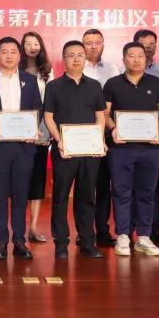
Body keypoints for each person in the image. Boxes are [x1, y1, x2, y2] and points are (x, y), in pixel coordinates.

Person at [0, 37, 42, 260]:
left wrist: (31, 127)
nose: (9, 55)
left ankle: (19, 241)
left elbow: (37, 108)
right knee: (0, 195)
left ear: (19, 55)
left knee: (21, 195)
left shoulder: (29, 80)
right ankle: (1, 241)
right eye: (4, 51)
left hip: (23, 146)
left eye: (13, 51)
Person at [103, 42, 159, 257]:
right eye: (131, 55)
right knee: (121, 192)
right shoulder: (113, 83)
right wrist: (113, 128)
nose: (136, 59)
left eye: (140, 55)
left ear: (146, 59)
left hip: (149, 149)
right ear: (124, 59)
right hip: (120, 149)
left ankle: (144, 236)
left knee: (147, 193)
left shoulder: (156, 83)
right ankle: (123, 235)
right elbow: (104, 114)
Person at [44, 40, 107, 259]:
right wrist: (59, 140)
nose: (76, 59)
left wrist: (99, 139)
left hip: (89, 151)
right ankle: (61, 243)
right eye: (71, 55)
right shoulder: (53, 86)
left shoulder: (95, 86)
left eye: (80, 55)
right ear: (64, 59)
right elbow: (48, 117)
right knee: (60, 197)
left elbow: (100, 116)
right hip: (64, 150)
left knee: (87, 196)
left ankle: (87, 240)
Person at [82, 28, 119, 247]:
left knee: (104, 185)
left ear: (103, 45)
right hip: (81, 134)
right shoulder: (76, 66)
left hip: (106, 133)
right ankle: (84, 231)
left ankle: (103, 230)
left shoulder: (113, 69)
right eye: (88, 42)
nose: (93, 46)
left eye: (97, 42)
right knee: (86, 185)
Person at [134, 29, 159, 245]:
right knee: (129, 186)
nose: (147, 48)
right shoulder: (122, 71)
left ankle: (152, 228)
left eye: (151, 44)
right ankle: (128, 228)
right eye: (143, 43)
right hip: (128, 140)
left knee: (154, 186)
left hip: (155, 138)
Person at [19, 31, 52, 243]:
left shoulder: (47, 71)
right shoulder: (15, 69)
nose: (32, 47)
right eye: (28, 43)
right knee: (20, 179)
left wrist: (46, 130)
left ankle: (33, 227)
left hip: (40, 129)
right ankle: (19, 228)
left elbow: (50, 103)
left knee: (37, 179)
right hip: (18, 129)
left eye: (36, 43)